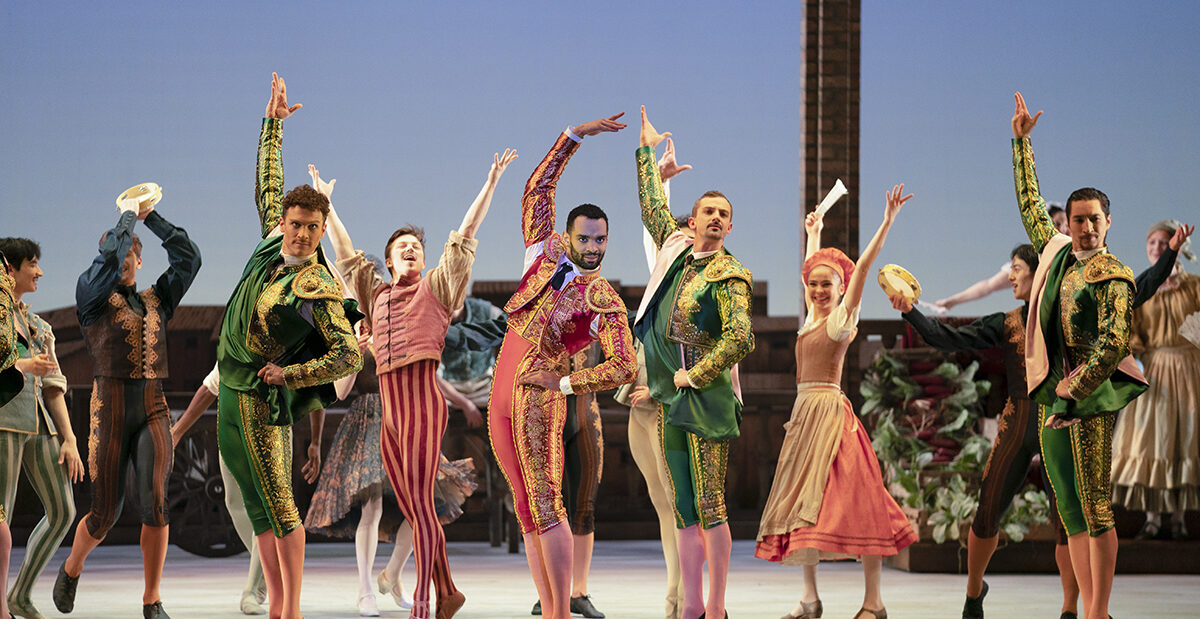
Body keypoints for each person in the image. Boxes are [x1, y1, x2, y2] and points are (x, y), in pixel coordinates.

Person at [891, 236, 1181, 619]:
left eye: (1016, 269)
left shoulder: (1071, 315)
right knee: (988, 508)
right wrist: (911, 312)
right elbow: (948, 338)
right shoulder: (1007, 322)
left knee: (1067, 519)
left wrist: (1171, 253)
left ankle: (1069, 607)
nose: (1009, 276)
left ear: (1039, 274)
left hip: (1060, 419)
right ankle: (974, 591)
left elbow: (1137, 289)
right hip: (1018, 421)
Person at [322, 144, 516, 619]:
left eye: (417, 248)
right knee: (413, 510)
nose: (411, 251)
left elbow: (466, 234)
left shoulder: (437, 287)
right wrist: (328, 208)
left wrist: (489, 184)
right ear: (388, 261)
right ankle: (448, 591)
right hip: (390, 415)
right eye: (401, 248)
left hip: (424, 408)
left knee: (423, 509)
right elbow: (345, 255)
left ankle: (427, 603)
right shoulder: (376, 294)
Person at [215, 73, 363, 619]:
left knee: (280, 507)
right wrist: (272, 125)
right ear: (284, 223)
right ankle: (278, 606)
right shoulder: (269, 247)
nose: (301, 234)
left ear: (323, 231)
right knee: (257, 509)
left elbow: (348, 355)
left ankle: (291, 611)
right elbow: (267, 185)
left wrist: (290, 376)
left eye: (311, 227)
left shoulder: (316, 284)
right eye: (295, 224)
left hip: (261, 397)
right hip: (231, 392)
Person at [488, 114, 637, 619]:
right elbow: (538, 186)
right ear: (569, 236)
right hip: (500, 397)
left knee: (550, 506)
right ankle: (552, 609)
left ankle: (560, 611)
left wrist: (569, 381)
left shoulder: (604, 299)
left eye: (601, 241)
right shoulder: (543, 251)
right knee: (527, 511)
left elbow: (624, 364)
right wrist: (573, 136)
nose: (594, 249)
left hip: (538, 396)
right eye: (586, 239)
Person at [1011, 91, 1148, 619]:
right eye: (1078, 220)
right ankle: (1089, 607)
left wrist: (1075, 387)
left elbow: (1114, 343)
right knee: (1067, 507)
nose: (1086, 227)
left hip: (1088, 397)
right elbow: (1029, 205)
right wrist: (1022, 144)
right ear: (1067, 223)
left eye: (1095, 219)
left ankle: (1098, 612)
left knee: (1095, 506)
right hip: (1053, 393)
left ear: (1108, 222)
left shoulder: (1114, 273)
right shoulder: (1059, 255)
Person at [756, 187, 916, 619]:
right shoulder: (810, 319)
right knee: (801, 504)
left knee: (860, 504)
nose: (819, 289)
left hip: (830, 417)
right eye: (814, 284)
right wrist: (815, 232)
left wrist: (887, 221)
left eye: (828, 284)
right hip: (803, 418)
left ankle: (874, 602)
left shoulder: (842, 321)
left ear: (842, 289)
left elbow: (863, 267)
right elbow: (808, 271)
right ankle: (809, 599)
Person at [56, 186, 201, 619]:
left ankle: (152, 599)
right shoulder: (91, 296)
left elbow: (189, 259)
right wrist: (124, 219)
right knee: (104, 512)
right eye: (114, 256)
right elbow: (105, 262)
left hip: (153, 403)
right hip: (111, 405)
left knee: (156, 500)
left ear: (139, 259)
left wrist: (150, 217)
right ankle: (72, 567)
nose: (121, 262)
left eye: (129, 256)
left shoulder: (158, 299)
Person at [634, 107, 755, 619]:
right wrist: (644, 154)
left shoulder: (730, 274)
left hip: (704, 398)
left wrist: (696, 374)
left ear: (730, 225)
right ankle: (692, 605)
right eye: (707, 210)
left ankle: (719, 605)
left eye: (723, 213)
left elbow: (740, 337)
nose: (715, 218)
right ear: (693, 219)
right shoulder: (677, 251)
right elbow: (650, 211)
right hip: (667, 395)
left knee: (710, 504)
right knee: (682, 505)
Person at [171, 363, 325, 616]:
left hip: (272, 431)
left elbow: (315, 389)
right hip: (233, 431)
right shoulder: (235, 343)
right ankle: (268, 572)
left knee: (265, 511)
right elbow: (210, 387)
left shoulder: (286, 340)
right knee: (234, 504)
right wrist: (177, 432)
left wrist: (316, 443)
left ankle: (251, 590)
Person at [615, 138, 692, 619]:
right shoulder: (663, 273)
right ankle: (674, 587)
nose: (677, 243)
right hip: (639, 399)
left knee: (679, 500)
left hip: (668, 399)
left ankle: (684, 594)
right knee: (660, 501)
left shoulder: (702, 286)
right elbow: (652, 234)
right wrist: (658, 183)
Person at [0, 238, 85, 619]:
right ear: (10, 269)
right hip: (5, 420)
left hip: (42, 424)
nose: (39, 271)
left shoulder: (38, 326)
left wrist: (70, 438)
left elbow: (54, 386)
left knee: (63, 510)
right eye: (32, 264)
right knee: (2, 516)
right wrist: (21, 367)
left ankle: (19, 594)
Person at [1111, 219, 1199, 540]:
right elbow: (1130, 332)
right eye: (1152, 244)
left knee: (1183, 439)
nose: (1157, 249)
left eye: (1163, 243)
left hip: (1190, 370)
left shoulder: (1194, 286)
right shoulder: (1140, 288)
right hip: (1155, 370)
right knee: (1153, 440)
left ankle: (1178, 520)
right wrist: (1134, 358)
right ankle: (1152, 519)